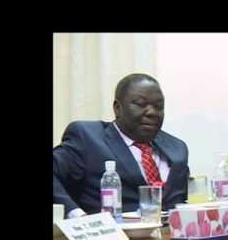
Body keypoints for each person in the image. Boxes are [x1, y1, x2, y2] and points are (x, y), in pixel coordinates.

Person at [54, 73, 189, 218]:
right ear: (118, 108)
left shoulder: (177, 149)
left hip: (168, 237)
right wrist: (77, 216)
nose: (152, 112)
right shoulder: (87, 137)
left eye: (159, 106)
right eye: (140, 104)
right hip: (112, 235)